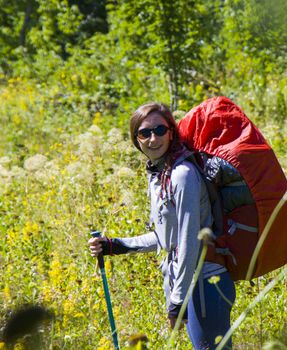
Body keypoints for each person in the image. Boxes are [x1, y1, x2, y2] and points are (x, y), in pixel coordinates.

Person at [88, 103, 236, 349]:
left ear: (171, 132)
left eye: (159, 130)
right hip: (191, 284)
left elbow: (190, 241)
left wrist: (177, 301)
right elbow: (166, 238)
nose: (153, 138)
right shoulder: (160, 175)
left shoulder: (182, 175)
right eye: (144, 133)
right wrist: (116, 245)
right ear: (136, 139)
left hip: (205, 285)